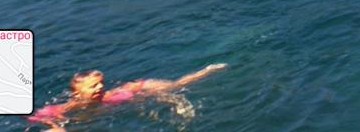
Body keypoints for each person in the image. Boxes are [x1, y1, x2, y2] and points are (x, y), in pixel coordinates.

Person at [27, 63, 227, 129]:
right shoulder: (63, 109)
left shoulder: (112, 97)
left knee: (177, 86)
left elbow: (132, 94)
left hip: (139, 88)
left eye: (100, 84)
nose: (99, 88)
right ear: (76, 93)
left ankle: (207, 70)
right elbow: (34, 118)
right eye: (92, 86)